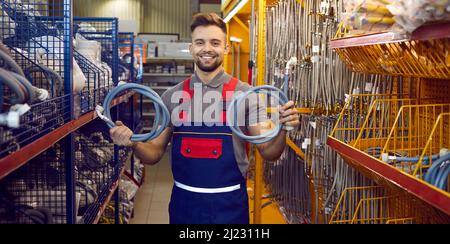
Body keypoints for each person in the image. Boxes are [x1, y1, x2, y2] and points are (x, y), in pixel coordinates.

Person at [109, 13, 300, 224]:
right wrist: (132, 142)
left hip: (230, 207)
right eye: (200, 42)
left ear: (226, 48)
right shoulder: (172, 96)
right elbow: (153, 153)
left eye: (215, 43)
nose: (207, 49)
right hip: (185, 205)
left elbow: (269, 151)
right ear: (191, 48)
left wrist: (282, 129)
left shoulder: (246, 95)